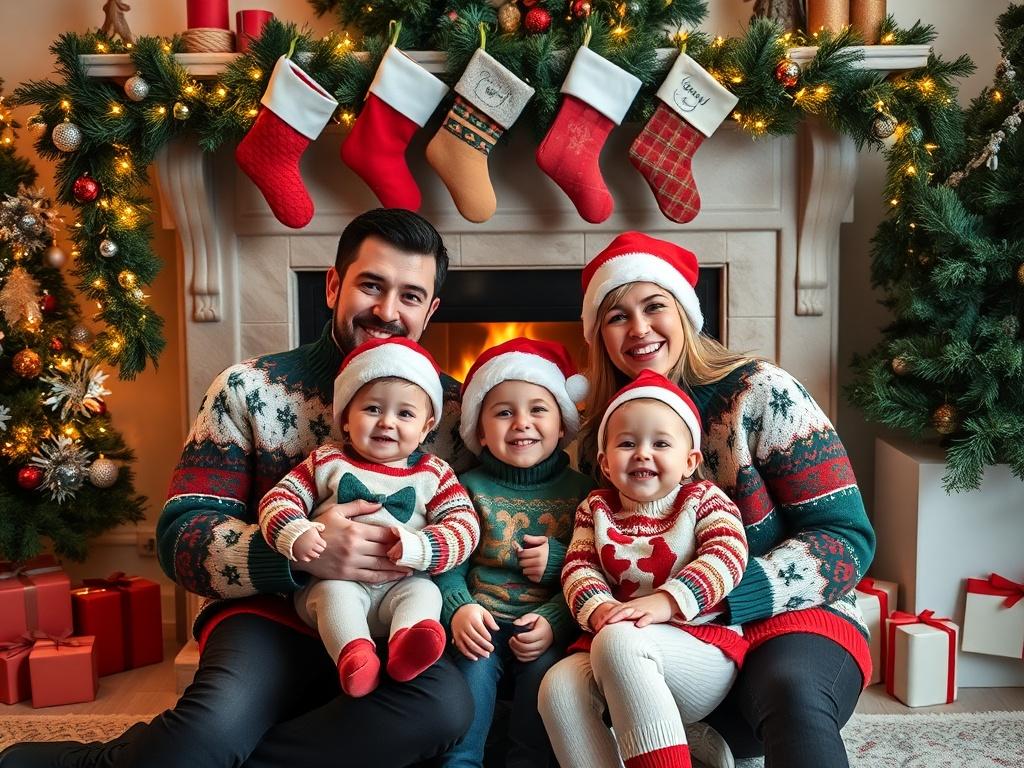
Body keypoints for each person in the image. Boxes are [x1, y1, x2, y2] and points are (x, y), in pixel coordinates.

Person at [0, 209, 474, 768]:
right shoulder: (248, 389)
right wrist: (305, 557)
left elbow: (470, 528)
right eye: (371, 285)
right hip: (267, 615)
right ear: (332, 285)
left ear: (431, 310)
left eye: (410, 295)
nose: (387, 310)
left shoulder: (453, 412)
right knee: (210, 732)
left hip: (391, 617)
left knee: (443, 710)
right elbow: (182, 538)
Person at [541, 231, 876, 768]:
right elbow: (597, 543)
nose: (639, 329)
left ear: (685, 314)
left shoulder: (761, 393)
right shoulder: (597, 437)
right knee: (564, 685)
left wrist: (710, 598)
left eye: (655, 307)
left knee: (789, 690)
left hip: (786, 614)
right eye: (617, 316)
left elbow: (847, 541)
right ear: (599, 335)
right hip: (657, 635)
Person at [540, 369, 749, 768]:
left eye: (661, 443)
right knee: (559, 687)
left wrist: (667, 602)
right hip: (617, 646)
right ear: (604, 461)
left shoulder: (703, 500)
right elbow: (578, 566)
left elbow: (728, 553)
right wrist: (597, 606)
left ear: (690, 461)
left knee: (618, 640)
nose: (642, 453)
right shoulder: (596, 509)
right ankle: (666, 740)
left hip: (702, 645)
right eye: (627, 443)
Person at [259, 337, 480, 698]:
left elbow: (465, 525)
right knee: (334, 596)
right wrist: (295, 533)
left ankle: (407, 646)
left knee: (425, 592)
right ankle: (354, 655)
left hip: (402, 583)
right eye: (373, 409)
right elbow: (278, 499)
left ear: (425, 428)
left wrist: (423, 547)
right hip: (336, 585)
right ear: (346, 419)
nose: (387, 423)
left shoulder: (434, 473)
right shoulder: (327, 462)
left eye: (405, 414)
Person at [436, 338, 595, 768]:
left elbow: (594, 572)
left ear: (562, 424)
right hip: (480, 623)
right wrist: (459, 609)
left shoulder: (584, 495)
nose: (521, 423)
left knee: (545, 682)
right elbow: (449, 564)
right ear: (480, 431)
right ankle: (461, 761)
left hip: (542, 625)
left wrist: (555, 619)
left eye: (538, 410)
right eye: (504, 412)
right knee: (468, 675)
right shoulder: (466, 489)